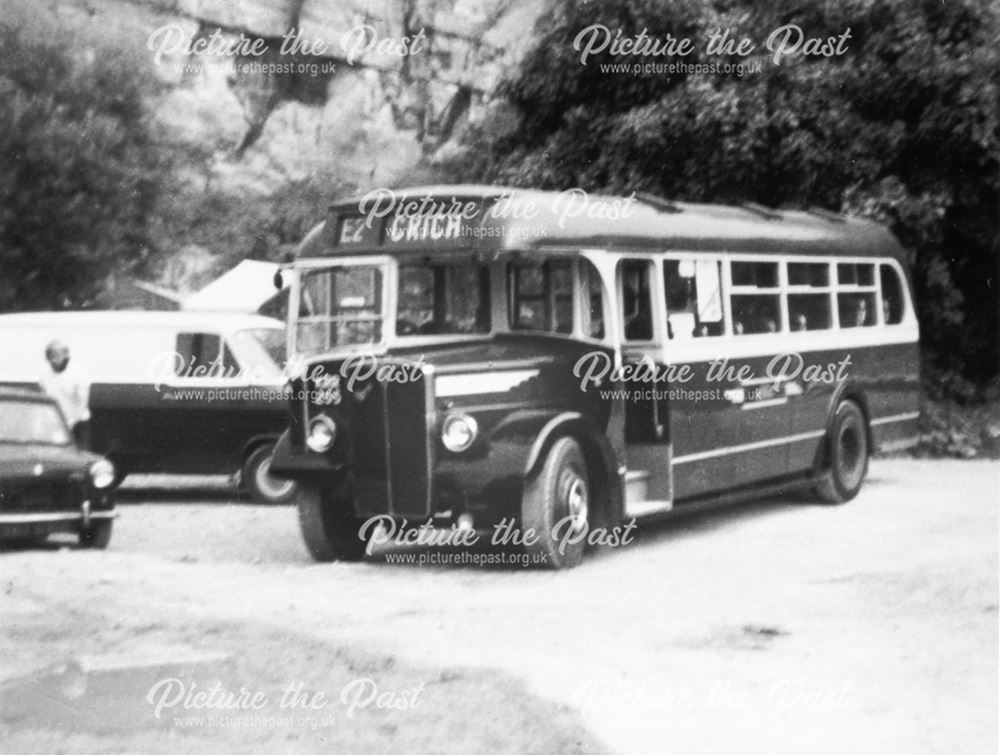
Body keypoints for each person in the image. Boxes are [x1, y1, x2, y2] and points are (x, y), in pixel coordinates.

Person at [38, 340, 91, 449]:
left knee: (79, 455)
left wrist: (71, 422)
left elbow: (82, 402)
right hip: (54, 422)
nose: (54, 360)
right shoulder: (44, 376)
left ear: (65, 357)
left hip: (78, 423)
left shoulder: (79, 374)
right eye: (51, 357)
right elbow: (44, 399)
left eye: (57, 356)